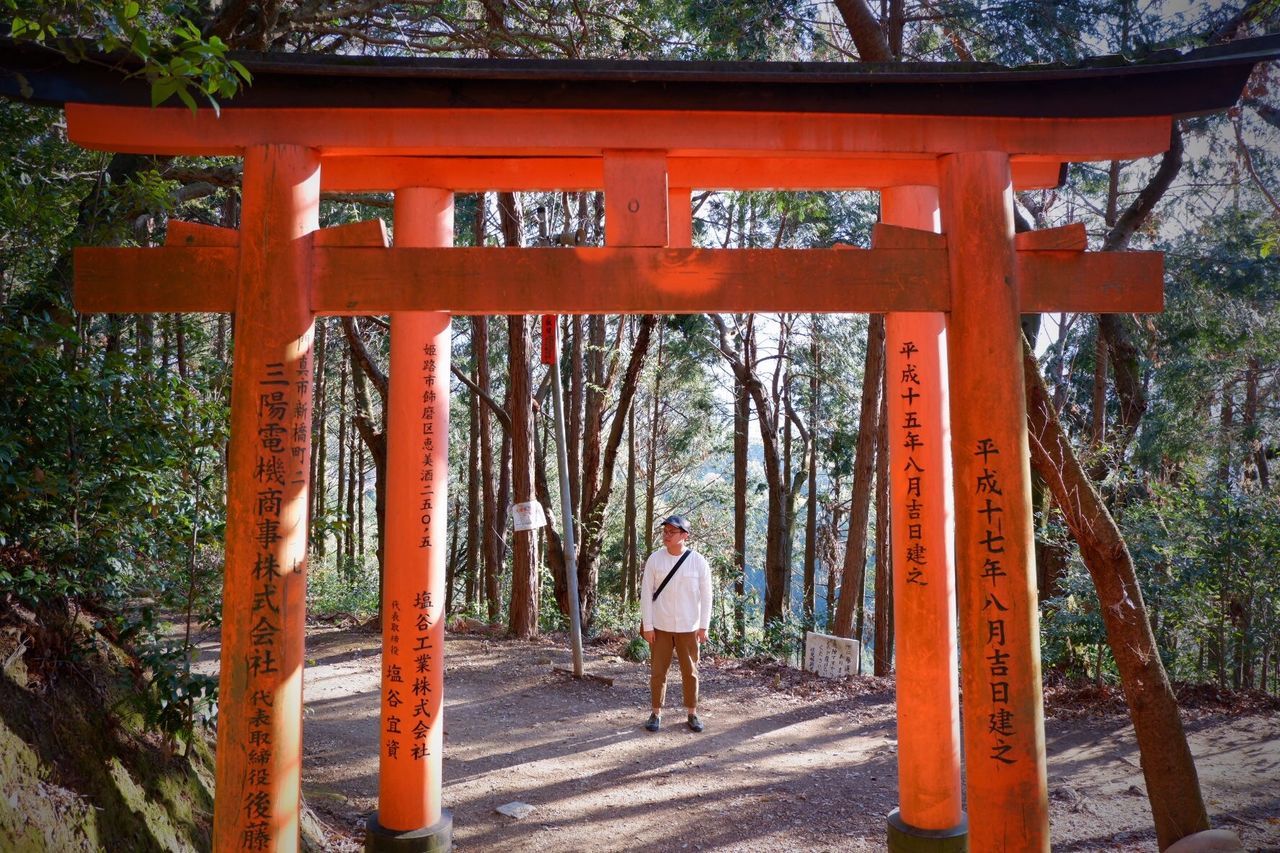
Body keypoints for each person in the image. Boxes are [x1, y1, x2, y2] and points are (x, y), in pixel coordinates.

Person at [639, 514, 712, 733]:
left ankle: (692, 712)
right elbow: (645, 594)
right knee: (658, 671)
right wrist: (648, 626)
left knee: (690, 672)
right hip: (660, 626)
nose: (667, 535)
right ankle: (655, 713)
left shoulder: (698, 561)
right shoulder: (655, 559)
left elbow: (707, 595)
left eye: (672, 532)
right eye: (665, 531)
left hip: (689, 627)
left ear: (685, 536)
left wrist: (704, 626)